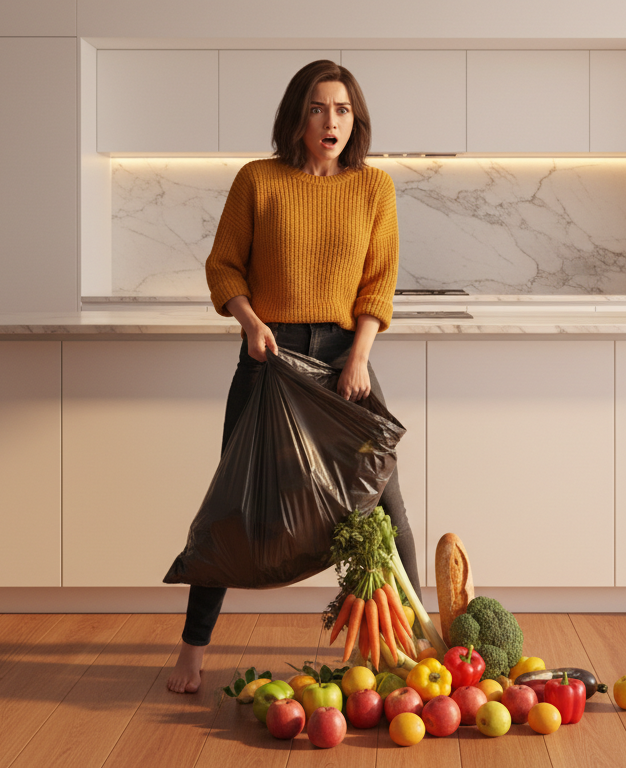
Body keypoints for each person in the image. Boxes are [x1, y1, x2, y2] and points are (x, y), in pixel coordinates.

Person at [167, 60, 421, 693]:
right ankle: (191, 653)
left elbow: (378, 282)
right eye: (316, 108)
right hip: (269, 357)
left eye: (340, 109)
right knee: (232, 509)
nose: (329, 121)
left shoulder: (374, 188)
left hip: (343, 364)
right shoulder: (259, 180)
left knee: (385, 508)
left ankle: (416, 649)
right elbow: (224, 266)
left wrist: (359, 356)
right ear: (296, 117)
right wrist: (249, 324)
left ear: (354, 118)